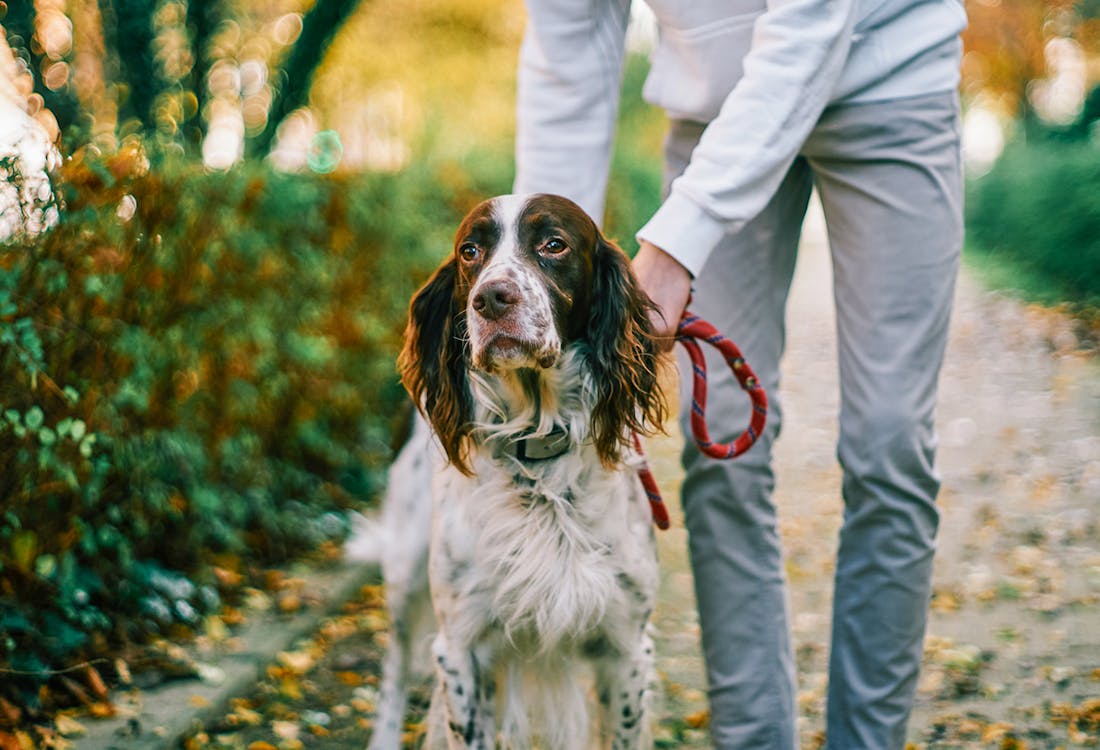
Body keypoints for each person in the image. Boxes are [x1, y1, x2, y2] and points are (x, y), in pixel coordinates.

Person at [513, 0, 967, 747]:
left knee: (890, 446)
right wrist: (543, 273)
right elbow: (569, 59)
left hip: (889, 78)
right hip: (710, 112)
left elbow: (813, 27)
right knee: (721, 441)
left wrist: (677, 241)